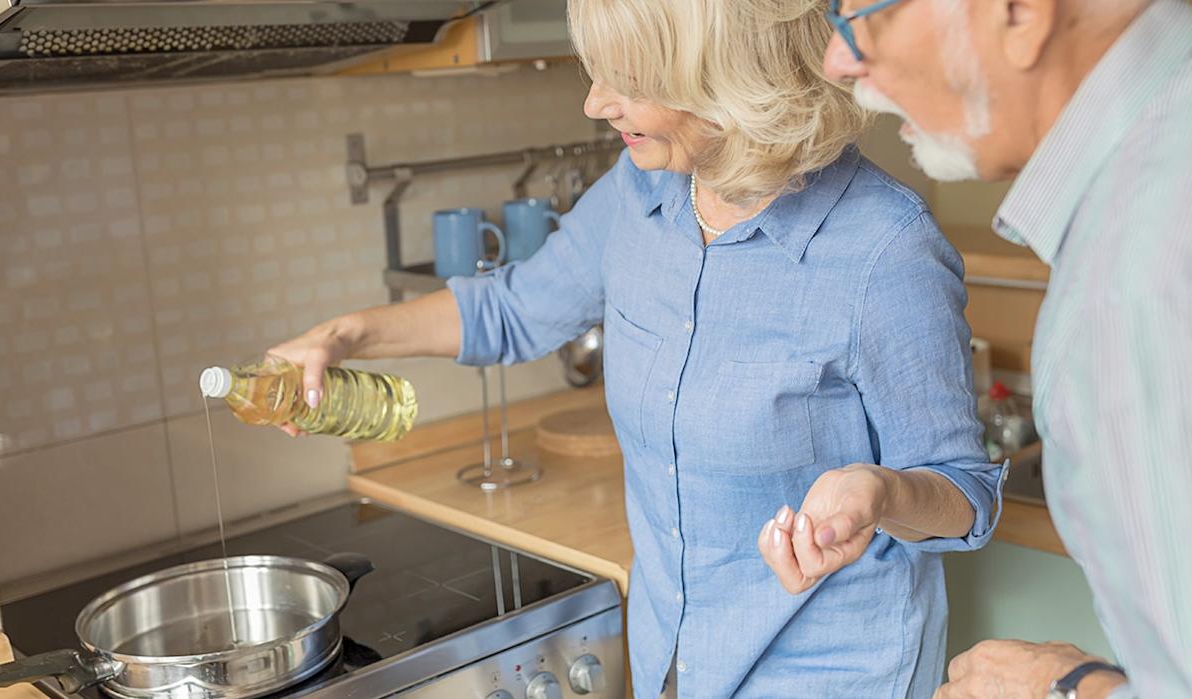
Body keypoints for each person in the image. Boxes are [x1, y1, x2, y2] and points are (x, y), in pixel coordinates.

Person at [271, 0, 1004, 695]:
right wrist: (346, 335)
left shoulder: (884, 247)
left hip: (836, 673)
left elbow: (965, 496)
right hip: (672, 656)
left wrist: (882, 493)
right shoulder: (638, 193)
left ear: (725, 73)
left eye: (629, 79)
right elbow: (512, 309)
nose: (594, 103)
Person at [820, 0, 1192, 697]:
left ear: (1019, 12)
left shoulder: (1128, 293)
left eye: (861, 13)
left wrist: (1063, 685)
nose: (838, 60)